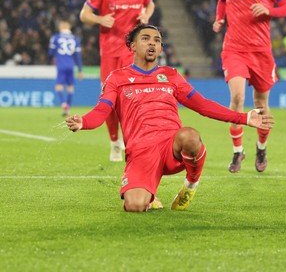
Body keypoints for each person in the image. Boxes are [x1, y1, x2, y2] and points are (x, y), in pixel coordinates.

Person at [65, 24, 274, 213]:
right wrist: (84, 122)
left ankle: (190, 186)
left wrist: (244, 117)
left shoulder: (171, 76)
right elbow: (102, 110)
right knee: (134, 206)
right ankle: (149, 195)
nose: (152, 43)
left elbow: (202, 105)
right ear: (132, 46)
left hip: (171, 146)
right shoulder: (117, 78)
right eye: (146, 38)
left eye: (157, 41)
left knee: (190, 136)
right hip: (141, 152)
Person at [213, 0, 286, 174]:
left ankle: (261, 147)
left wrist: (269, 9)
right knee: (237, 99)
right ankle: (238, 152)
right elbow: (222, 1)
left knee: (260, 104)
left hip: (260, 51)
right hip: (234, 49)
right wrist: (219, 19)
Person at [80, 0, 155, 162]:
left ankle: (132, 142)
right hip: (110, 52)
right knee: (110, 99)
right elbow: (84, 14)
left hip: (134, 52)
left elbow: (150, 5)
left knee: (134, 100)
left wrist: (146, 16)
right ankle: (115, 142)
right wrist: (99, 19)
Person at [48, 19, 83, 116]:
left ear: (60, 27)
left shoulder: (56, 37)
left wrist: (51, 59)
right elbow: (78, 56)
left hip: (61, 65)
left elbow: (50, 52)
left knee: (58, 86)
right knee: (70, 87)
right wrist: (80, 70)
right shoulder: (75, 39)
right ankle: (67, 109)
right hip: (71, 65)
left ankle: (63, 103)